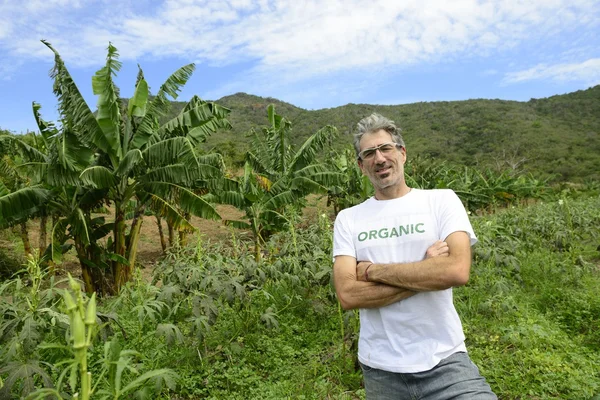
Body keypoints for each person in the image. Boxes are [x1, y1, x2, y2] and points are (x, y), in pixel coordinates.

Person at [332, 113, 497, 399]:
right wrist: (427, 271)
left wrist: (371, 271)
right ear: (361, 165)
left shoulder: (441, 200)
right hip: (381, 371)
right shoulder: (349, 219)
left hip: (445, 361)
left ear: (402, 153)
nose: (379, 158)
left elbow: (456, 271)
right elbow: (348, 295)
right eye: (369, 153)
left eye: (386, 148)